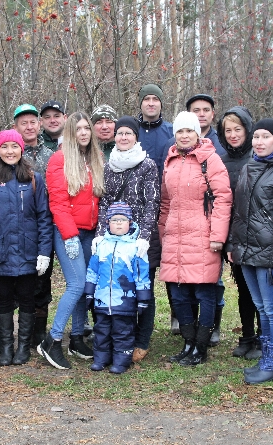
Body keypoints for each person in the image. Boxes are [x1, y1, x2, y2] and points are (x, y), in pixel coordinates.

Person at [228, 119, 273, 384]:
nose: (259, 142)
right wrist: (232, 245)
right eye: (256, 137)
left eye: (265, 137)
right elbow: (238, 212)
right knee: (260, 306)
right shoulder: (249, 167)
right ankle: (266, 358)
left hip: (271, 253)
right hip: (246, 251)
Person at [160, 111, 232, 367]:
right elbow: (166, 202)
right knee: (178, 294)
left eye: (189, 130)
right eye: (180, 131)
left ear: (197, 132)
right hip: (175, 237)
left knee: (204, 293)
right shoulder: (170, 160)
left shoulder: (210, 160)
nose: (185, 135)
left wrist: (217, 237)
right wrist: (163, 231)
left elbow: (223, 198)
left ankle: (201, 346)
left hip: (203, 235)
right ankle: (188, 343)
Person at [0, 129, 53, 366]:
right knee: (4, 299)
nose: (10, 152)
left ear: (22, 149)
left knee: (28, 299)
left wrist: (43, 251)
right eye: (5, 147)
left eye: (15, 147)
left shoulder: (33, 178)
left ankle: (23, 348)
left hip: (28, 252)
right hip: (1, 253)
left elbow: (43, 217)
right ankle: (6, 347)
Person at [38, 112, 104, 369]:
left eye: (87, 128)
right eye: (78, 129)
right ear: (69, 133)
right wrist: (69, 236)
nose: (84, 133)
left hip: (89, 231)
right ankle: (52, 340)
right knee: (76, 284)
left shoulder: (94, 158)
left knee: (85, 284)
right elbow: (58, 203)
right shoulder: (59, 159)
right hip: (68, 232)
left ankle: (77, 337)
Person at [93, 116, 160, 362]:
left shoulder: (147, 165)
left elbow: (153, 202)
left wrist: (144, 236)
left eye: (128, 133)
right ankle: (121, 338)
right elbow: (104, 202)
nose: (123, 137)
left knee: (144, 289)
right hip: (114, 242)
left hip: (141, 241)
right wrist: (101, 234)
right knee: (119, 288)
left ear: (135, 137)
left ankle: (142, 340)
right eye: (120, 133)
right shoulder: (108, 166)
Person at [216, 106, 262, 360]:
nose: (233, 135)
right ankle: (246, 335)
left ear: (247, 129)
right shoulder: (221, 160)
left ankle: (263, 335)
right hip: (233, 234)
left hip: (258, 234)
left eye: (238, 129)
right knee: (243, 289)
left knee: (261, 290)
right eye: (228, 130)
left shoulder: (258, 156)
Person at [85, 202, 151, 374]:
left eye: (123, 219)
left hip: (125, 301)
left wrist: (143, 298)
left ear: (130, 222)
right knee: (101, 331)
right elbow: (92, 270)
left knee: (123, 332)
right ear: (107, 223)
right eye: (114, 220)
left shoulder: (136, 247)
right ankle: (101, 359)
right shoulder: (100, 245)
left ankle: (121, 361)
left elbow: (141, 275)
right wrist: (89, 292)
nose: (119, 223)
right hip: (102, 300)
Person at [13, 103, 57, 350]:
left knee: (42, 280)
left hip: (43, 226)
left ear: (39, 124)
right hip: (14, 229)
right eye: (23, 123)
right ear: (16, 126)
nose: (28, 127)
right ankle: (16, 332)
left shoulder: (51, 156)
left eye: (32, 122)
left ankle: (37, 332)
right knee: (15, 280)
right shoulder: (9, 153)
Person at [133, 83, 174, 334]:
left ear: (161, 103)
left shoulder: (171, 133)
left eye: (155, 99)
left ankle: (178, 317)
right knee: (142, 269)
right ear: (140, 103)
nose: (150, 103)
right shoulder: (130, 130)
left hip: (167, 208)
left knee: (169, 266)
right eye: (146, 98)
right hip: (137, 212)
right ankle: (136, 319)